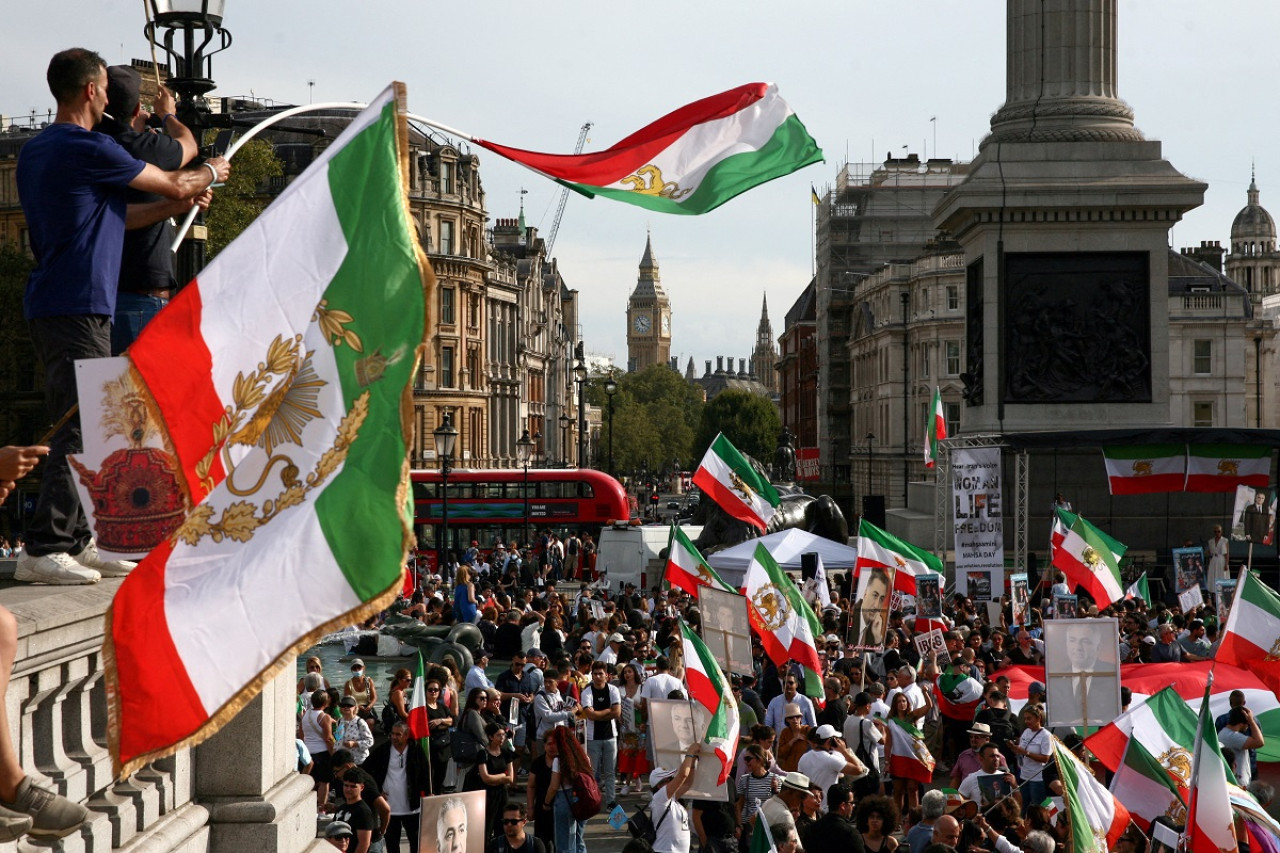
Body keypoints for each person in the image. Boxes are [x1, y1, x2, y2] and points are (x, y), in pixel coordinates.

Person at [15, 48, 228, 585]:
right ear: (90, 90)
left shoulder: (39, 150)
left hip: (65, 300)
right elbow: (178, 178)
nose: (110, 97)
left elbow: (119, 217)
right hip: (77, 302)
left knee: (92, 421)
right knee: (82, 422)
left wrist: (177, 208)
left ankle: (79, 540)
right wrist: (210, 173)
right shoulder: (87, 147)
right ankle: (44, 547)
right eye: (106, 88)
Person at [93, 65, 199, 354]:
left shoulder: (88, 144)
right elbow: (189, 146)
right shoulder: (143, 148)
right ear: (138, 107)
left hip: (94, 299)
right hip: (140, 296)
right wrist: (168, 114)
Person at [364, 721, 429, 853]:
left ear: (406, 735)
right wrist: (376, 792)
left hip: (412, 807)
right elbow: (366, 771)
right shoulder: (383, 750)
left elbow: (425, 774)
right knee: (392, 844)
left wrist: (428, 794)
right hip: (389, 808)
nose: (394, 737)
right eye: (392, 734)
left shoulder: (416, 750)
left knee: (416, 842)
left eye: (398, 734)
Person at [578, 660, 621, 808]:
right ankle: (593, 800)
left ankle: (611, 801)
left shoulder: (613, 690)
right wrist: (608, 711)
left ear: (607, 675)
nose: (597, 676)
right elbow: (590, 715)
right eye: (595, 674)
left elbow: (617, 712)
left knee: (610, 772)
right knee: (592, 773)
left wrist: (600, 713)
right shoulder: (587, 692)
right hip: (592, 737)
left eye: (600, 674)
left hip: (610, 736)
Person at [796, 725, 867, 813]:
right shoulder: (831, 760)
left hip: (808, 807)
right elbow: (858, 770)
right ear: (830, 740)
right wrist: (844, 751)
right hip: (825, 808)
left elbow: (800, 780)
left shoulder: (804, 757)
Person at [465, 722, 516, 842]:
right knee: (486, 828)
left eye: (503, 735)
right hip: (487, 796)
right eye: (498, 735)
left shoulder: (506, 753)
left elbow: (511, 778)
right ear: (490, 737)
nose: (502, 738)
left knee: (502, 827)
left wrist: (499, 778)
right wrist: (503, 775)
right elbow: (486, 778)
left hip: (502, 795)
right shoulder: (483, 754)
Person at [544, 725, 591, 853]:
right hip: (583, 800)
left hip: (564, 800)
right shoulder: (583, 757)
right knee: (578, 839)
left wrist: (546, 803)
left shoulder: (559, 761)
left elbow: (554, 786)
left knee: (565, 844)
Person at [649, 743, 702, 853]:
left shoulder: (670, 798)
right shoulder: (660, 798)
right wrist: (690, 752)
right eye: (668, 780)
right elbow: (682, 775)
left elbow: (687, 783)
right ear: (659, 785)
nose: (672, 781)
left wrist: (692, 762)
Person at [801, 784, 865, 853]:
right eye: (851, 803)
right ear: (843, 806)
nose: (853, 806)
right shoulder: (851, 834)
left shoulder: (811, 830)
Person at [301, 689, 336, 812]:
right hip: (322, 753)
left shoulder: (305, 714)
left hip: (308, 752)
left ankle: (308, 808)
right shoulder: (324, 717)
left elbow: (301, 733)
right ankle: (322, 809)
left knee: (311, 781)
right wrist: (333, 754)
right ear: (326, 702)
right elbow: (328, 738)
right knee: (324, 782)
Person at [1011, 705, 1051, 812]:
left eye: (1029, 718)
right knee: (1023, 808)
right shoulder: (1026, 732)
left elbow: (1045, 758)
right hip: (1024, 776)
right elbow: (1021, 749)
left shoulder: (1046, 736)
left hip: (1037, 778)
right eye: (1025, 718)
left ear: (1038, 719)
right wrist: (1013, 747)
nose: (1026, 721)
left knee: (1037, 809)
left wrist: (1026, 753)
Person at [422, 676, 455, 795]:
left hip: (444, 748)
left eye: (436, 690)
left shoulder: (442, 707)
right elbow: (427, 725)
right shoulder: (423, 708)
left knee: (440, 778)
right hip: (430, 749)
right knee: (429, 779)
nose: (433, 692)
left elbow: (452, 720)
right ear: (425, 691)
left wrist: (440, 721)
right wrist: (444, 724)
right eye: (430, 690)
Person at [1218, 706, 1266, 786]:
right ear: (1241, 724)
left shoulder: (1225, 733)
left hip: (1235, 779)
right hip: (1238, 782)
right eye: (1247, 724)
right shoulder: (1232, 736)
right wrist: (1251, 721)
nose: (1247, 727)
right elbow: (1259, 742)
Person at [333, 769, 378, 853]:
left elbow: (364, 844)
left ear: (361, 787)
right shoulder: (341, 809)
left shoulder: (363, 812)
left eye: (353, 786)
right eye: (346, 785)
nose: (348, 789)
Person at [854, 569, 892, 648]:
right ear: (864, 593)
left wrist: (877, 638)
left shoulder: (876, 627)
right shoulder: (852, 620)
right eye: (875, 595)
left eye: (881, 599)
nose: (876, 605)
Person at [335, 698, 374, 766]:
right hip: (344, 762)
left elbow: (370, 741)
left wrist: (354, 744)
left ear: (355, 708)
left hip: (358, 761)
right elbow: (338, 740)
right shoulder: (339, 721)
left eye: (349, 705)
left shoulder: (360, 722)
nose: (346, 707)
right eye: (343, 705)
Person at [343, 660, 378, 728]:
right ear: (351, 670)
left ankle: (368, 738)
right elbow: (347, 701)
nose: (357, 670)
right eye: (354, 668)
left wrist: (370, 706)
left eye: (359, 667)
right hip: (354, 709)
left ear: (363, 668)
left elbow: (374, 697)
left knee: (370, 722)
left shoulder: (369, 681)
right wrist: (357, 707)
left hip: (367, 708)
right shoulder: (348, 684)